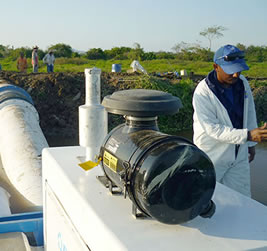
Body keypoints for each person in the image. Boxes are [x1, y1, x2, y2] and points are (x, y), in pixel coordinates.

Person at [192, 44, 267, 197]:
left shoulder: (242, 83)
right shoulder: (203, 92)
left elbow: (249, 111)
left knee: (243, 198)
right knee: (207, 197)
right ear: (216, 66)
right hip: (213, 155)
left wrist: (251, 144)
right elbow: (213, 129)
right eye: (231, 71)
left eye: (238, 71)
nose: (235, 75)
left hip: (238, 153)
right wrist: (248, 136)